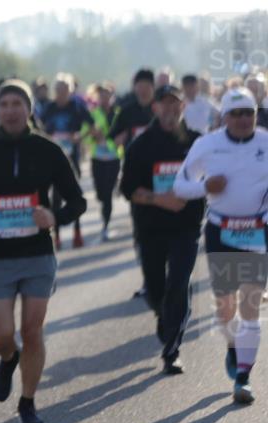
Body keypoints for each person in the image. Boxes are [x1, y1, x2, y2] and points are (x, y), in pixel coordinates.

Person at [0, 79, 86, 423]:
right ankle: (8, 358)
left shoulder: (48, 150)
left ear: (29, 109)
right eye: (4, 104)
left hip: (38, 254)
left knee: (32, 329)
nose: (11, 110)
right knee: (0, 335)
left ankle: (27, 402)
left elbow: (78, 200)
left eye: (18, 103)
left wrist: (54, 217)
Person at [174, 87, 268, 404]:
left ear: (256, 114)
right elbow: (179, 186)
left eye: (248, 113)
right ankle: (232, 346)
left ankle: (243, 377)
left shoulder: (265, 142)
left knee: (251, 308)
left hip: (256, 232)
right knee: (226, 307)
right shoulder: (208, 144)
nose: (243, 120)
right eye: (236, 114)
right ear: (224, 117)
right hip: (221, 230)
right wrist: (204, 186)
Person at [118, 84, 203, 374]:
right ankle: (161, 312)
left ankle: (172, 350)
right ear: (155, 108)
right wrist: (160, 199)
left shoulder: (196, 142)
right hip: (151, 228)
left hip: (186, 228)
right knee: (156, 290)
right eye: (164, 104)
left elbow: (212, 179)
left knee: (178, 283)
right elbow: (128, 189)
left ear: (182, 107)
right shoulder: (141, 146)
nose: (170, 109)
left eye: (175, 103)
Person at [110, 69, 157, 299]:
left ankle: (166, 276)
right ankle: (149, 279)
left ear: (153, 86)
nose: (143, 89)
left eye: (147, 84)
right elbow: (114, 138)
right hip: (135, 178)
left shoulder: (161, 108)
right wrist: (127, 137)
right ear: (134, 86)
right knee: (141, 232)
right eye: (139, 84)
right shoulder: (127, 111)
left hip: (162, 179)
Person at [40, 73, 94, 249]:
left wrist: (79, 137)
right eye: (58, 90)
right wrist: (49, 138)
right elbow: (38, 128)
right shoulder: (49, 108)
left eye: (64, 90)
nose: (61, 93)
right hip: (52, 159)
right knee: (54, 197)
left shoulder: (77, 107)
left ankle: (77, 232)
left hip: (72, 157)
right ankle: (56, 236)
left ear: (70, 91)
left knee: (73, 196)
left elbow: (92, 126)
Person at [85, 82, 122, 240]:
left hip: (114, 157)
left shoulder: (119, 113)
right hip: (98, 157)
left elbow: (125, 131)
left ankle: (105, 225)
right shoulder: (92, 114)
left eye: (108, 96)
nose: (105, 99)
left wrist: (121, 138)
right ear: (97, 98)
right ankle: (105, 203)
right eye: (102, 96)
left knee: (107, 193)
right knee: (100, 193)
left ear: (112, 97)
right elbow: (84, 134)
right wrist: (93, 135)